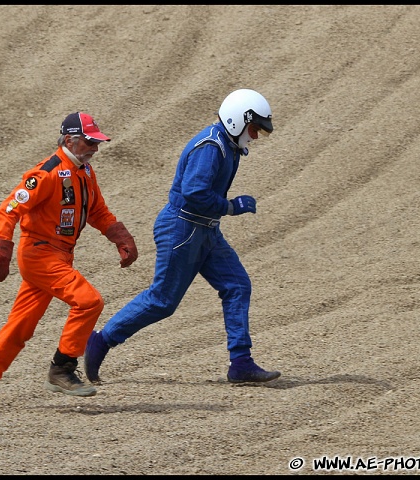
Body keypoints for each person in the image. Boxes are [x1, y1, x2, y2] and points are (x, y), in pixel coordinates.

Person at [85, 89, 281, 385]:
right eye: (253, 129)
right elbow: (194, 192)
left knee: (237, 285)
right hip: (183, 227)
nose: (254, 136)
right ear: (237, 120)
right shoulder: (212, 146)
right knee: (163, 300)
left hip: (203, 228)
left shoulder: (226, 144)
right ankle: (100, 341)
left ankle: (241, 363)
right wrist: (230, 206)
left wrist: (222, 211)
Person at [0, 112, 139, 417]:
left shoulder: (85, 171)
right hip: (40, 255)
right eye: (90, 142)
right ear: (69, 140)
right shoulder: (46, 173)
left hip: (56, 255)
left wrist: (120, 236)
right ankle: (62, 369)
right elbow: (8, 210)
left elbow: (97, 211)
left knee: (19, 327)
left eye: (97, 142)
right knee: (89, 301)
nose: (95, 148)